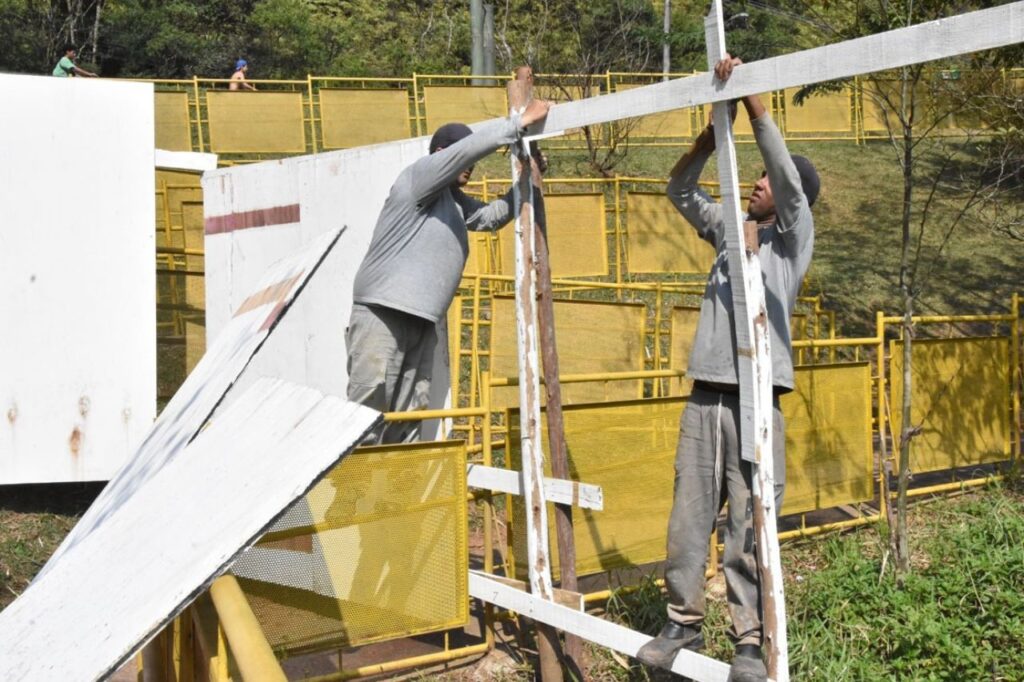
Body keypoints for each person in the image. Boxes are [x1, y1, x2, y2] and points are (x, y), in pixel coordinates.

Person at [637, 54, 819, 682]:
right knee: (689, 515)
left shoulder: (791, 245)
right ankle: (681, 620)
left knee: (748, 522)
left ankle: (749, 638)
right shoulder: (727, 229)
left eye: (769, 179)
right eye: (759, 178)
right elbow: (679, 190)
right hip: (705, 397)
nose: (760, 184)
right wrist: (710, 136)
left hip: (756, 401)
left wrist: (750, 101)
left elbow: (790, 189)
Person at [346, 96, 551, 443]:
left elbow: (489, 218)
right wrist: (518, 123)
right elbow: (464, 152)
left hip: (421, 321)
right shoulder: (417, 180)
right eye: (458, 155)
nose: (469, 168)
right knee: (365, 416)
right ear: (441, 154)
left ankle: (395, 497)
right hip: (383, 315)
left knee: (409, 417)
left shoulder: (453, 203)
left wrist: (528, 181)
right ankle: (349, 495)